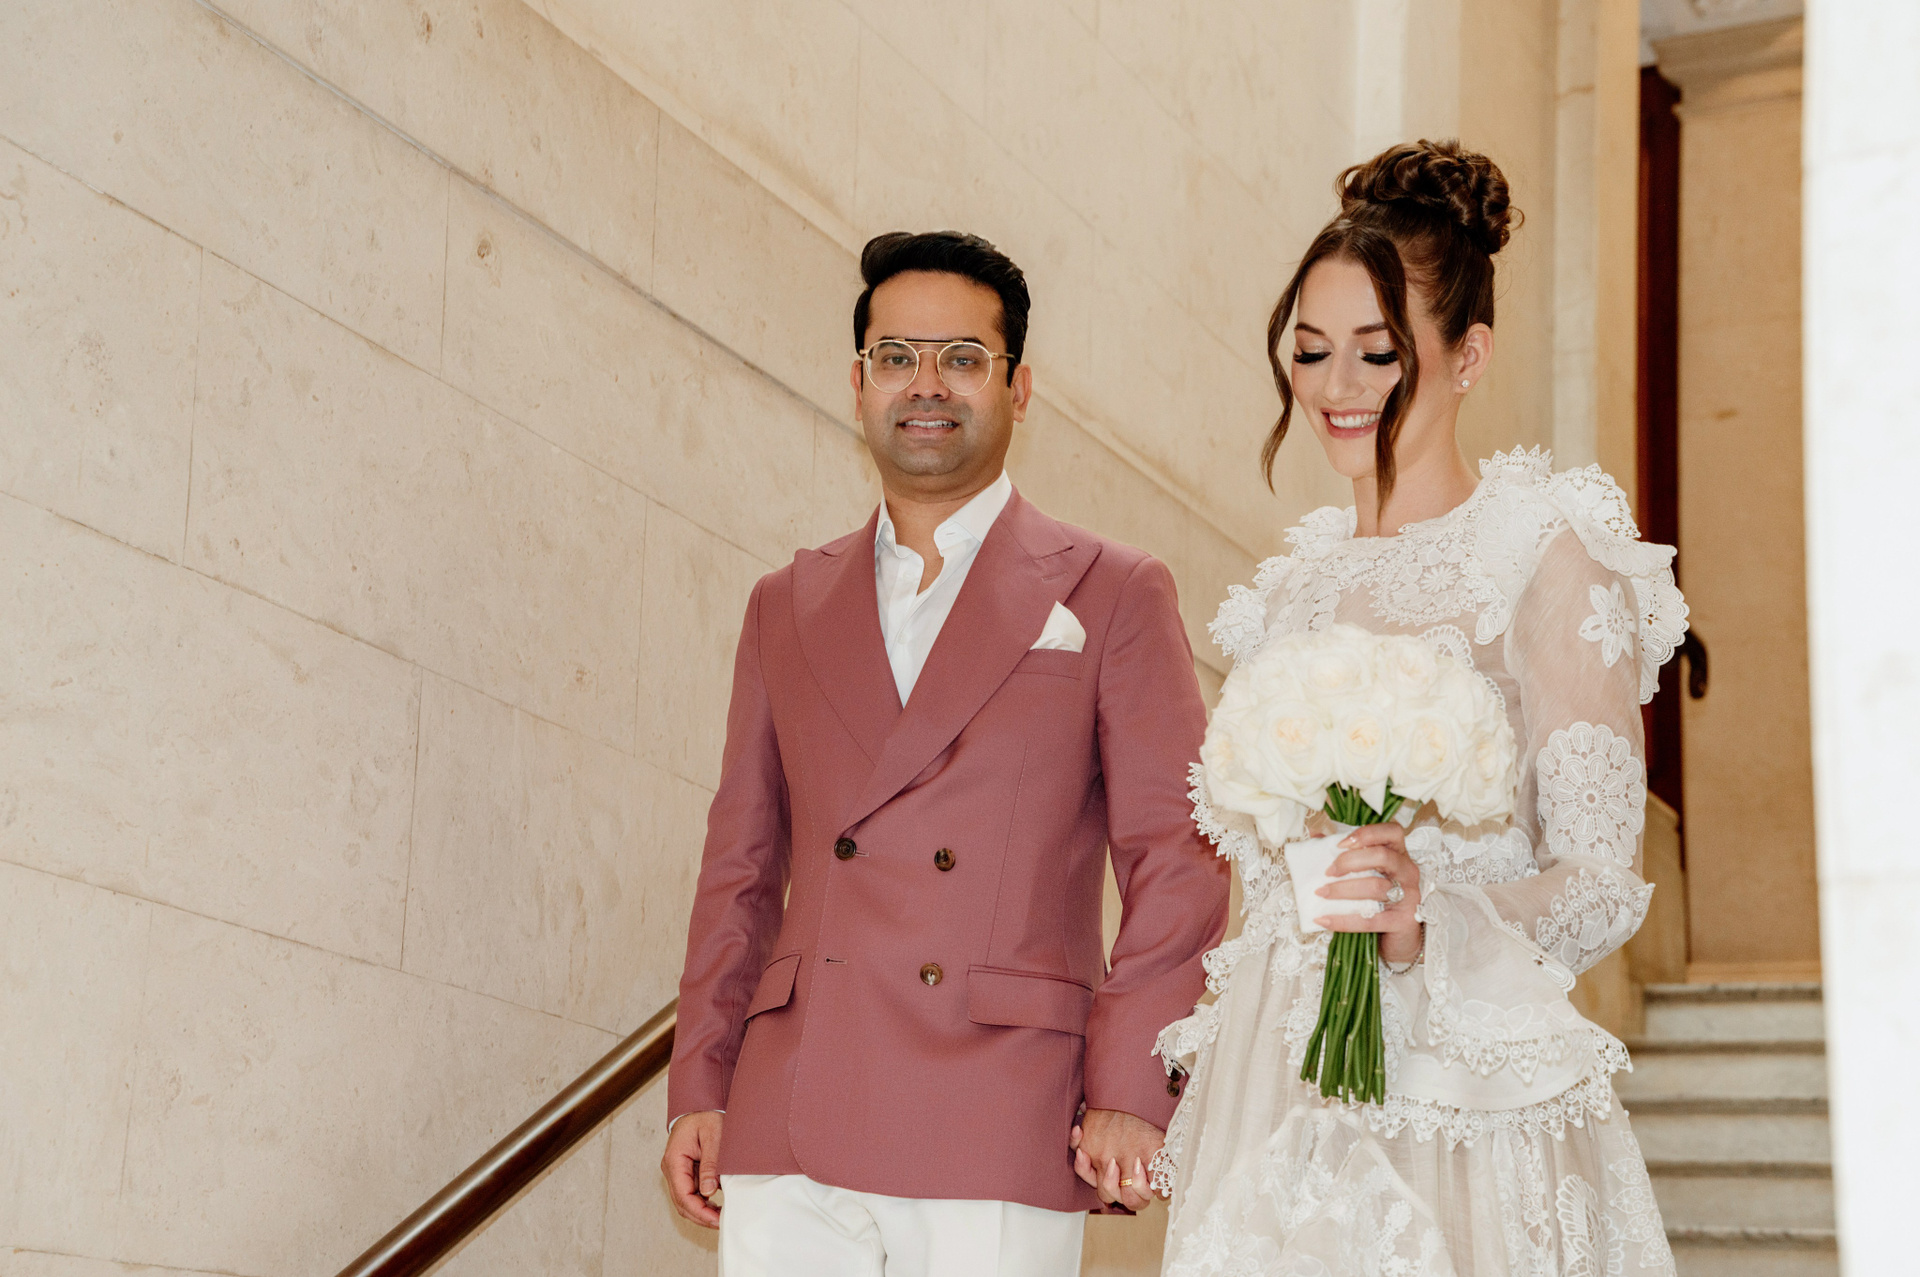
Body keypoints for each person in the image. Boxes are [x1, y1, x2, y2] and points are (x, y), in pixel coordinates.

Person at [1151, 141, 1686, 1275]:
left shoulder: (1542, 555)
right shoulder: (1290, 593)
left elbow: (1599, 881)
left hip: (1462, 1099)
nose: (1335, 386)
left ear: (1468, 355)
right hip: (1281, 1089)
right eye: (1310, 350)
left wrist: (1434, 916)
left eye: (1378, 352)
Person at [661, 229, 1231, 1277]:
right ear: (858, 383)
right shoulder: (785, 602)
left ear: (1019, 388)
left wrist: (1130, 1086)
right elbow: (739, 864)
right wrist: (701, 1078)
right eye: (896, 356)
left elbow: (1178, 857)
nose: (926, 384)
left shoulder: (1112, 588)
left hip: (1000, 1104)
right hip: (795, 1102)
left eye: (963, 358)